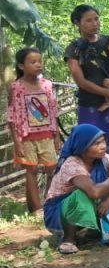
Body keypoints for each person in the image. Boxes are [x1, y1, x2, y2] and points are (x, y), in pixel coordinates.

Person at [43, 125, 109, 254]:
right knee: (80, 195)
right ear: (82, 146)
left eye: (103, 141)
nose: (103, 146)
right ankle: (68, 239)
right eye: (97, 143)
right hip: (58, 213)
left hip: (90, 202)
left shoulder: (103, 158)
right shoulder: (72, 164)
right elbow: (94, 192)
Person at [65, 5, 109, 149]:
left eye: (96, 19)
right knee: (91, 148)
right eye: (89, 20)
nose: (95, 23)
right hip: (91, 105)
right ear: (77, 23)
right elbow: (81, 81)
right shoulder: (74, 49)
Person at [7, 47, 60, 213]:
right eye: (33, 62)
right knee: (31, 170)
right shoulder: (16, 87)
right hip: (26, 136)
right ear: (21, 66)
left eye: (40, 61)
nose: (38, 64)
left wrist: (57, 135)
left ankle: (49, 203)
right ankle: (37, 208)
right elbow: (11, 116)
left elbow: (53, 111)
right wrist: (17, 142)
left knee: (51, 168)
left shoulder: (47, 85)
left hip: (47, 134)